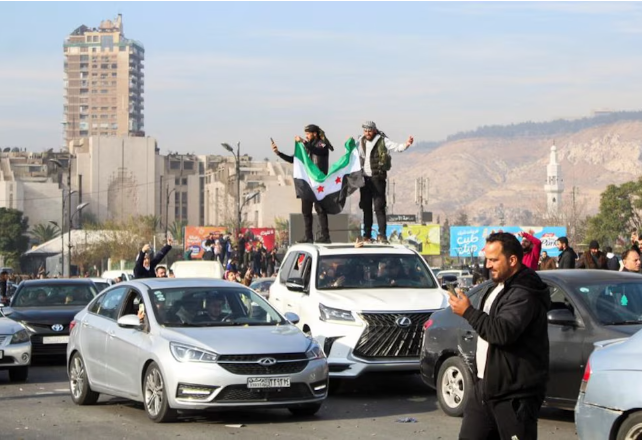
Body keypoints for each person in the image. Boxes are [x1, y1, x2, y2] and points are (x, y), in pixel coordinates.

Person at [448, 232, 550, 440]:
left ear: (512, 260)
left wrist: (468, 311)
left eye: (494, 260)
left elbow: (502, 332)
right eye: (487, 259)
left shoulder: (524, 292)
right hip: (485, 387)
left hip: (514, 394)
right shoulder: (498, 287)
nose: (488, 265)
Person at [353, 121, 413, 244]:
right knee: (366, 208)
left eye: (369, 130)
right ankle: (367, 235)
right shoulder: (361, 141)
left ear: (374, 130)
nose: (367, 133)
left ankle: (382, 235)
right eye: (365, 131)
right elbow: (353, 152)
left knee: (379, 207)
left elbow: (396, 147)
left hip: (378, 178)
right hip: (365, 179)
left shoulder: (382, 140)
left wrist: (406, 144)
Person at [272, 124, 333, 243]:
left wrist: (304, 142)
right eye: (305, 134)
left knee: (320, 209)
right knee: (306, 210)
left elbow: (317, 151)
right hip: (307, 182)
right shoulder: (306, 148)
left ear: (314, 134)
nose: (306, 136)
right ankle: (308, 236)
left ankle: (325, 236)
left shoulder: (322, 144)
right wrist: (278, 153)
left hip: (318, 181)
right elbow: (294, 160)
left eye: (308, 134)